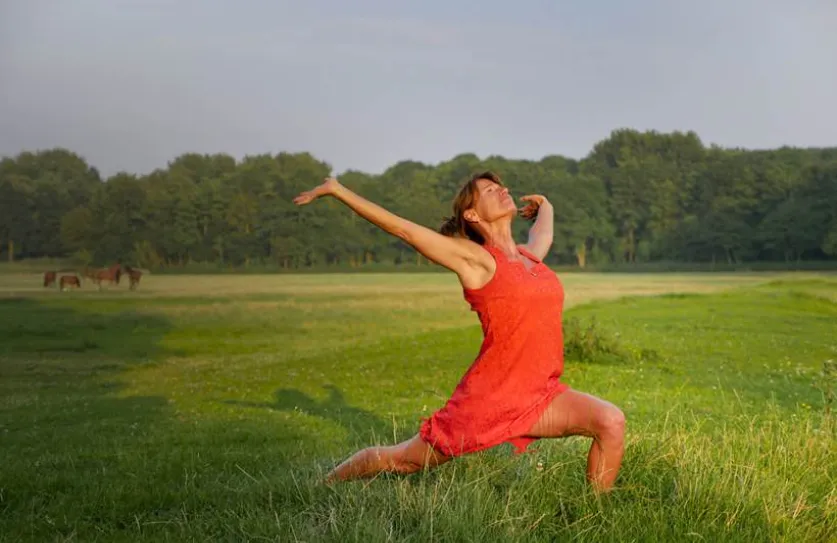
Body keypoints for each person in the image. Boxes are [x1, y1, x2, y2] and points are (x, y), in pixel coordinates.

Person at [292, 171, 626, 492]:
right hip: (490, 399)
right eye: (489, 191)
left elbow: (543, 235)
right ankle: (323, 486)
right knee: (406, 460)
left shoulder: (528, 258)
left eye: (501, 186)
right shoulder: (475, 260)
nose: (502, 190)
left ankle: (594, 516)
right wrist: (338, 190)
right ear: (472, 214)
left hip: (540, 394)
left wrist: (546, 207)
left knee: (610, 421)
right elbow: (403, 230)